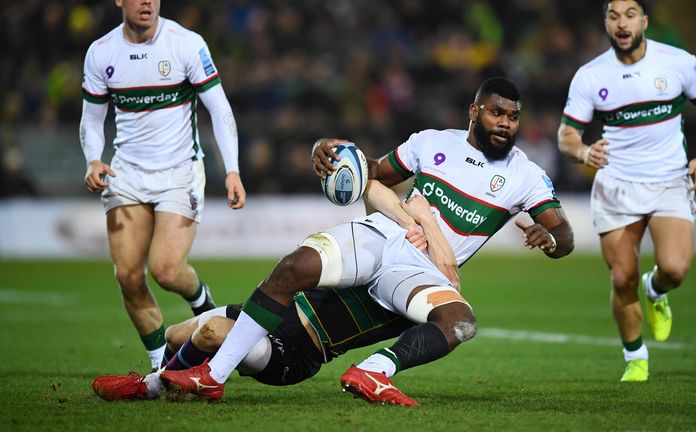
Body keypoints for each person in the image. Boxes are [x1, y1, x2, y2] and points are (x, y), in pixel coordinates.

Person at [160, 77, 574, 406]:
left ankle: (374, 371)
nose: (505, 123)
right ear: (474, 111)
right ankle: (197, 378)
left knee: (461, 322)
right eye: (497, 113)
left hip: (421, 270)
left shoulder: (526, 175)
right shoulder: (431, 142)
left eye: (513, 117)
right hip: (387, 235)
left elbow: (565, 234)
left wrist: (550, 239)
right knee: (297, 266)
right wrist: (330, 154)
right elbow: (370, 171)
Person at [557, 0, 696, 382]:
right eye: (614, 16)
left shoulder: (678, 62)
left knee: (675, 268)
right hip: (616, 185)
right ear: (605, 24)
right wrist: (584, 150)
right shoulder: (590, 76)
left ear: (644, 21)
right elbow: (566, 137)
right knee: (621, 277)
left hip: (669, 180)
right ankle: (635, 357)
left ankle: (656, 290)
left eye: (630, 14)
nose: (622, 23)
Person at [79, 0, 246, 371]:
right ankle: (161, 365)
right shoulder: (102, 52)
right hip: (127, 174)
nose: (147, 3)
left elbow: (219, 109)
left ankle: (202, 302)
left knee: (167, 270)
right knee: (127, 275)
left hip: (179, 172)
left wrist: (231, 170)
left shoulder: (185, 43)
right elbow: (91, 119)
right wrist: (93, 158)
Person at [91, 285, 416, 401]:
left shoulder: (413, 294)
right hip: (273, 310)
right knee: (175, 334)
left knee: (212, 332)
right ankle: (185, 372)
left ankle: (149, 387)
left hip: (298, 349)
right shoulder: (380, 247)